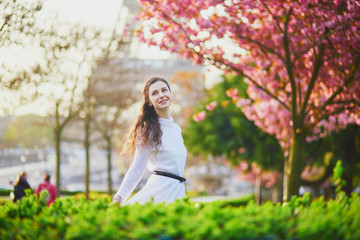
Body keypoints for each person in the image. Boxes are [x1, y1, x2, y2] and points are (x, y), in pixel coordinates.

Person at [110, 77, 187, 206]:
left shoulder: (176, 130)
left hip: (178, 191)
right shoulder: (148, 131)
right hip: (159, 192)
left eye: (164, 90)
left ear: (170, 94)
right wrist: (118, 198)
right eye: (155, 93)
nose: (161, 95)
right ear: (150, 102)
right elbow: (137, 168)